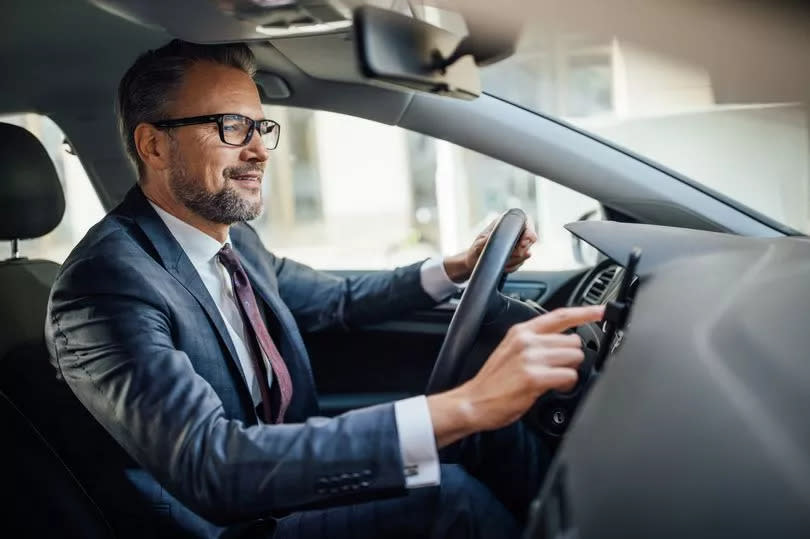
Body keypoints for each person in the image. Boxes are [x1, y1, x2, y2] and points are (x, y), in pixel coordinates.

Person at [46, 39, 604, 538]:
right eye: (230, 127)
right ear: (155, 146)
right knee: (451, 496)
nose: (260, 150)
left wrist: (458, 266)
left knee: (491, 434)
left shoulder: (230, 244)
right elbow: (209, 465)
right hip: (232, 521)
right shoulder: (104, 285)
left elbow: (336, 299)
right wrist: (464, 404)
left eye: (260, 127)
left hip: (281, 476)